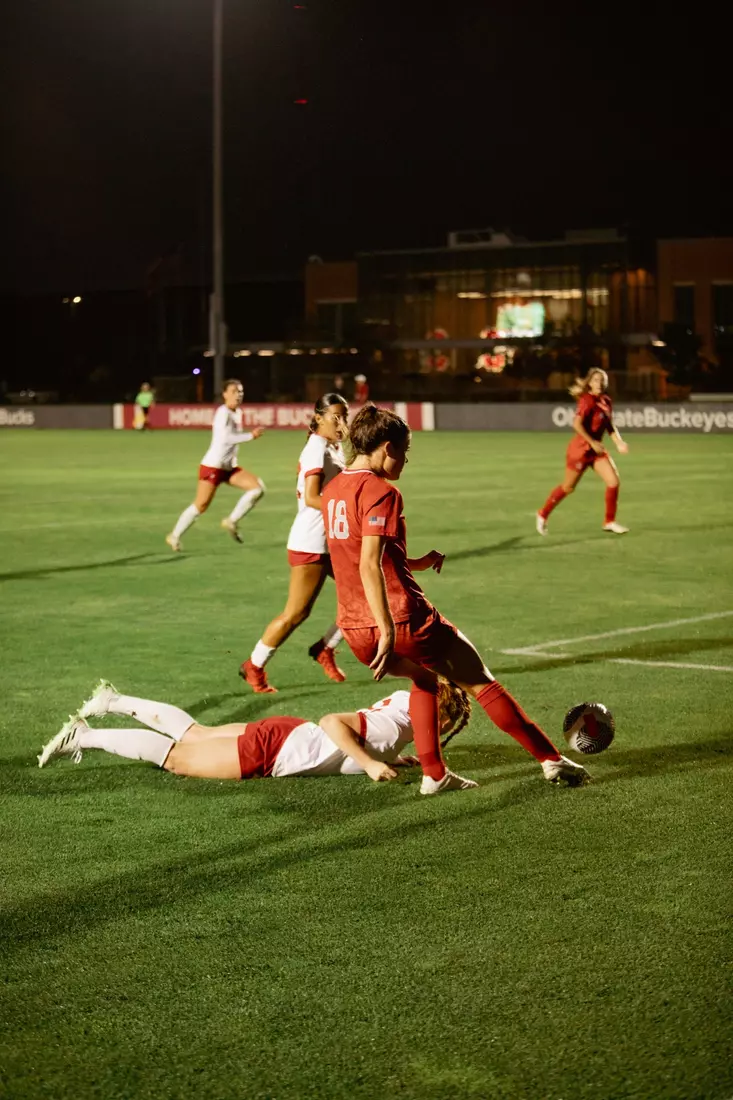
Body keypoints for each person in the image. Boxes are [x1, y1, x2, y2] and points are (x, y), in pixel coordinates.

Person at [322, 404, 591, 795]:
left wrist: (415, 561)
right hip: (400, 620)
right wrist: (388, 629)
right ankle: (551, 760)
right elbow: (368, 563)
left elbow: (355, 554)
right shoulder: (382, 491)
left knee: (424, 678)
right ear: (386, 447)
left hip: (353, 627)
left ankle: (434, 774)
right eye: (404, 450)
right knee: (482, 682)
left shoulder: (332, 490)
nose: (406, 459)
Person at [36, 678, 471, 789]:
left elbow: (368, 734)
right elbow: (332, 722)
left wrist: (387, 757)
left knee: (196, 734)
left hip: (286, 734)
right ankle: (84, 736)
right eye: (446, 726)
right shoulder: (397, 724)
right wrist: (372, 763)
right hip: (280, 749)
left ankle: (112, 701)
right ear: (440, 718)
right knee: (179, 759)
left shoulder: (403, 706)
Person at [240, 393, 349, 693]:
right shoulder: (316, 447)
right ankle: (254, 665)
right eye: (335, 417)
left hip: (331, 539)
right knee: (296, 613)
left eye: (344, 416)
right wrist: (348, 509)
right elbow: (313, 497)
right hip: (312, 541)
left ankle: (326, 647)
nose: (342, 422)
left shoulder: (333, 445)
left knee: (365, 597)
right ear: (318, 418)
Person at [166, 379, 265, 552]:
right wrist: (250, 436)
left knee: (258, 488)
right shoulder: (222, 413)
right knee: (201, 505)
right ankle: (174, 536)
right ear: (225, 394)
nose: (238, 395)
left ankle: (231, 521)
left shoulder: (237, 412)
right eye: (234, 391)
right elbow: (225, 438)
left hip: (228, 467)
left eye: (240, 392)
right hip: (213, 466)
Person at [536, 368, 630, 536]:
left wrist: (619, 442)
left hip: (596, 451)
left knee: (613, 482)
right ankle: (543, 514)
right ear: (590, 383)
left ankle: (609, 521)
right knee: (568, 487)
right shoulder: (587, 400)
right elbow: (576, 424)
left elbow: (609, 425)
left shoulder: (606, 401)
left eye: (602, 380)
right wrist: (592, 442)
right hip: (581, 450)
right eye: (596, 380)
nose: (599, 383)